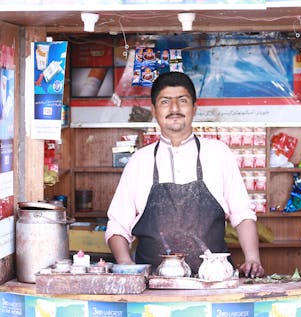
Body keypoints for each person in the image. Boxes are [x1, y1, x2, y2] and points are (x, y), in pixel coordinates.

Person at [105, 71, 264, 278]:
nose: (174, 109)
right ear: (154, 110)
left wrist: (253, 258)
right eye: (165, 102)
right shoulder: (139, 161)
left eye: (182, 100)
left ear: (194, 108)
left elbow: (242, 214)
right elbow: (117, 224)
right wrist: (126, 265)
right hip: (151, 284)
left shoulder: (218, 153)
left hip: (213, 281)